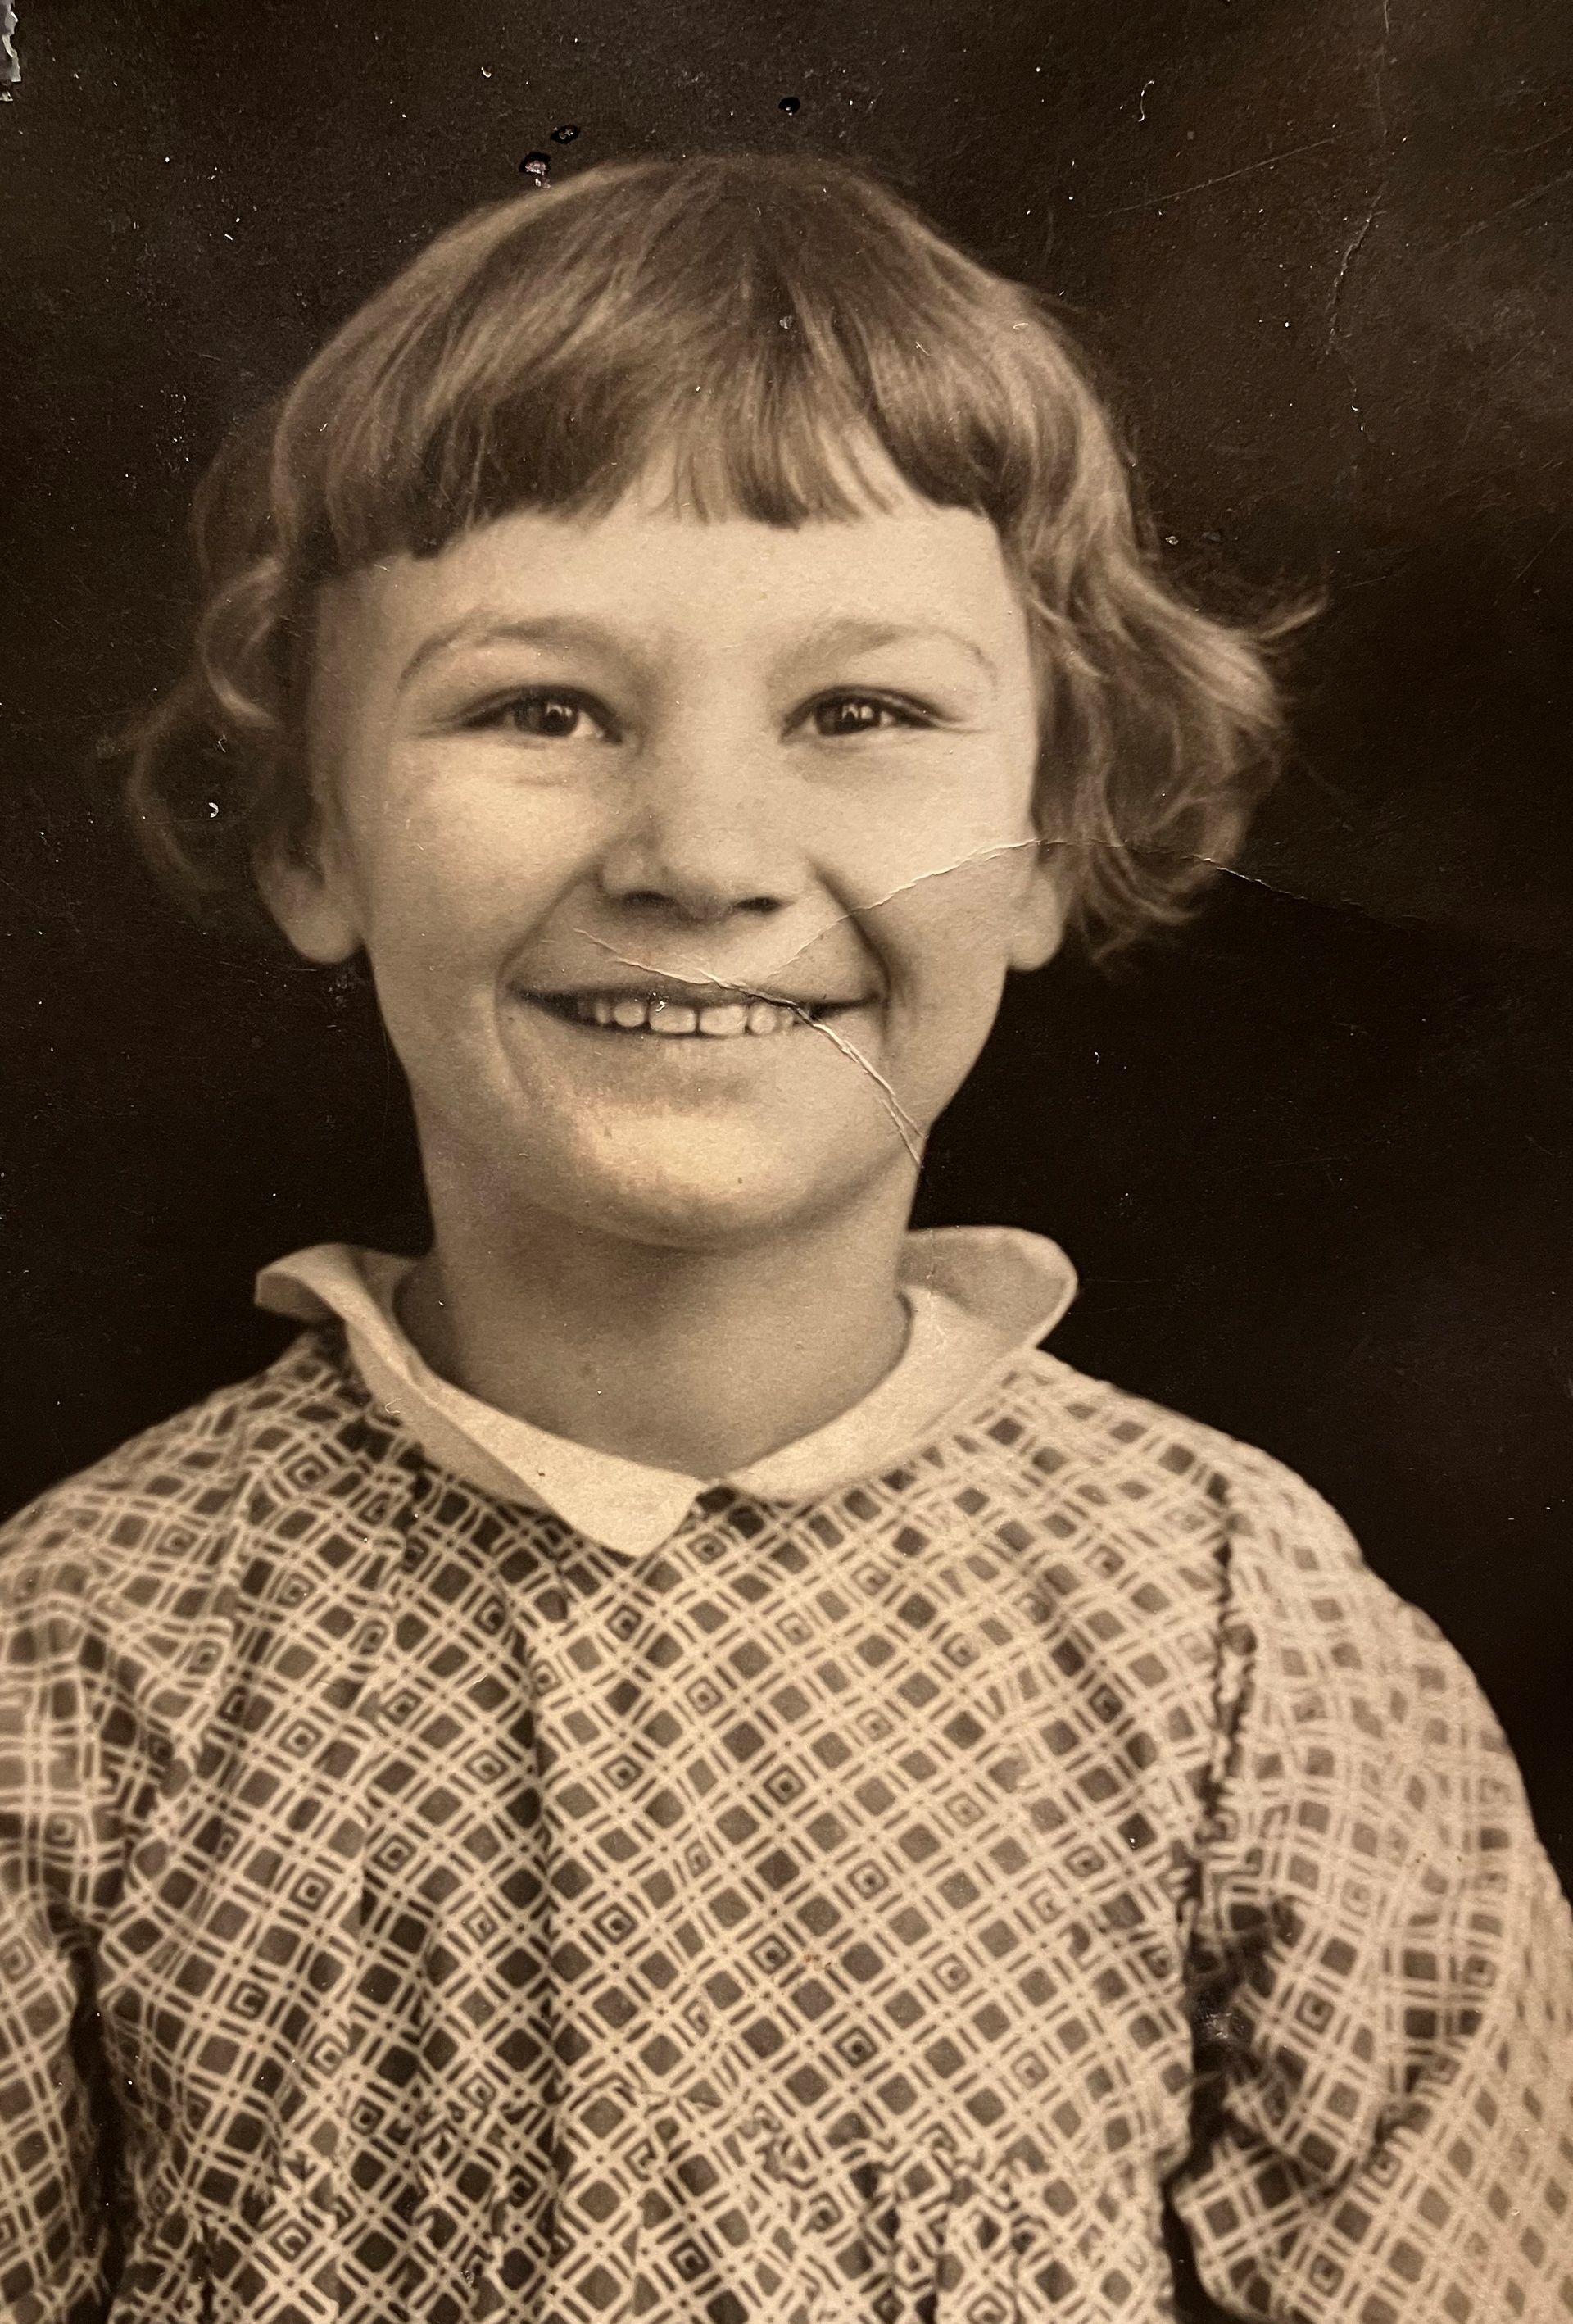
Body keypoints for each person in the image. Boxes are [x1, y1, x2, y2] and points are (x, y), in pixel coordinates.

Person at [0, 152, 1566, 2324]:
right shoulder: (71, 1671)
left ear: (1048, 840)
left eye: (862, 714)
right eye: (540, 708)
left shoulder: (1254, 1662)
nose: (703, 852)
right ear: (308, 836)